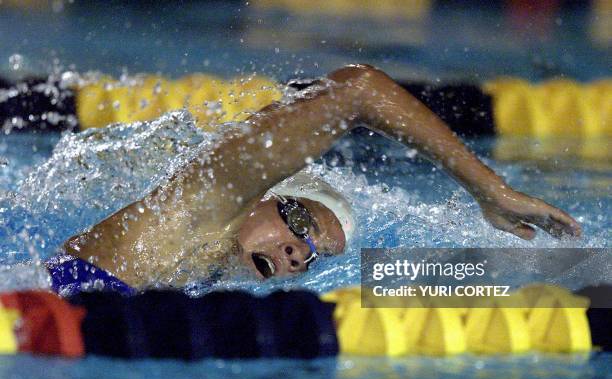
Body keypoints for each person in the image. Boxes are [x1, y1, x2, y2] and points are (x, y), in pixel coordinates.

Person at [54, 65, 580, 292]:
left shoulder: (206, 274)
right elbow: (359, 90)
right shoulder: (201, 208)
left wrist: (582, 279)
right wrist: (489, 190)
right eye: (300, 222)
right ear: (261, 195)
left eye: (312, 257)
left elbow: (450, 281)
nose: (298, 253)